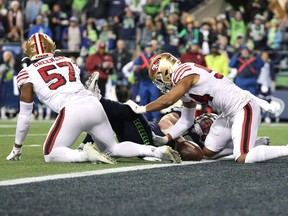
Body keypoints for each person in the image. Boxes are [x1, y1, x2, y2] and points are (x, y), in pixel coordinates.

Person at [6, 33, 181, 164]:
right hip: (93, 103)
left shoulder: (26, 72)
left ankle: (84, 155)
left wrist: (17, 147)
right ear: (52, 47)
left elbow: (25, 115)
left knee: (50, 153)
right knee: (112, 148)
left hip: (71, 110)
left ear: (29, 52)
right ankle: (154, 151)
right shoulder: (68, 61)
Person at [125, 52, 288, 164]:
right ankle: (252, 143)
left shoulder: (183, 72)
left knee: (242, 157)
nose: (159, 83)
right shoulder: (181, 84)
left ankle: (284, 150)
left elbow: (168, 99)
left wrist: (142, 109)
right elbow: (186, 120)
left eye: (158, 79)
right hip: (228, 113)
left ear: (165, 72)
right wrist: (167, 138)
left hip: (242, 107)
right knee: (207, 153)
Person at [81, 72, 270, 160]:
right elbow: (166, 119)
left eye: (208, 126)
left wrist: (254, 144)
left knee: (124, 113)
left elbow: (209, 154)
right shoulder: (188, 120)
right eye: (207, 121)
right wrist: (176, 138)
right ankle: (86, 139)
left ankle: (96, 99)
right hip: (152, 133)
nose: (206, 124)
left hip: (150, 143)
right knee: (118, 116)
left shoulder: (207, 145)